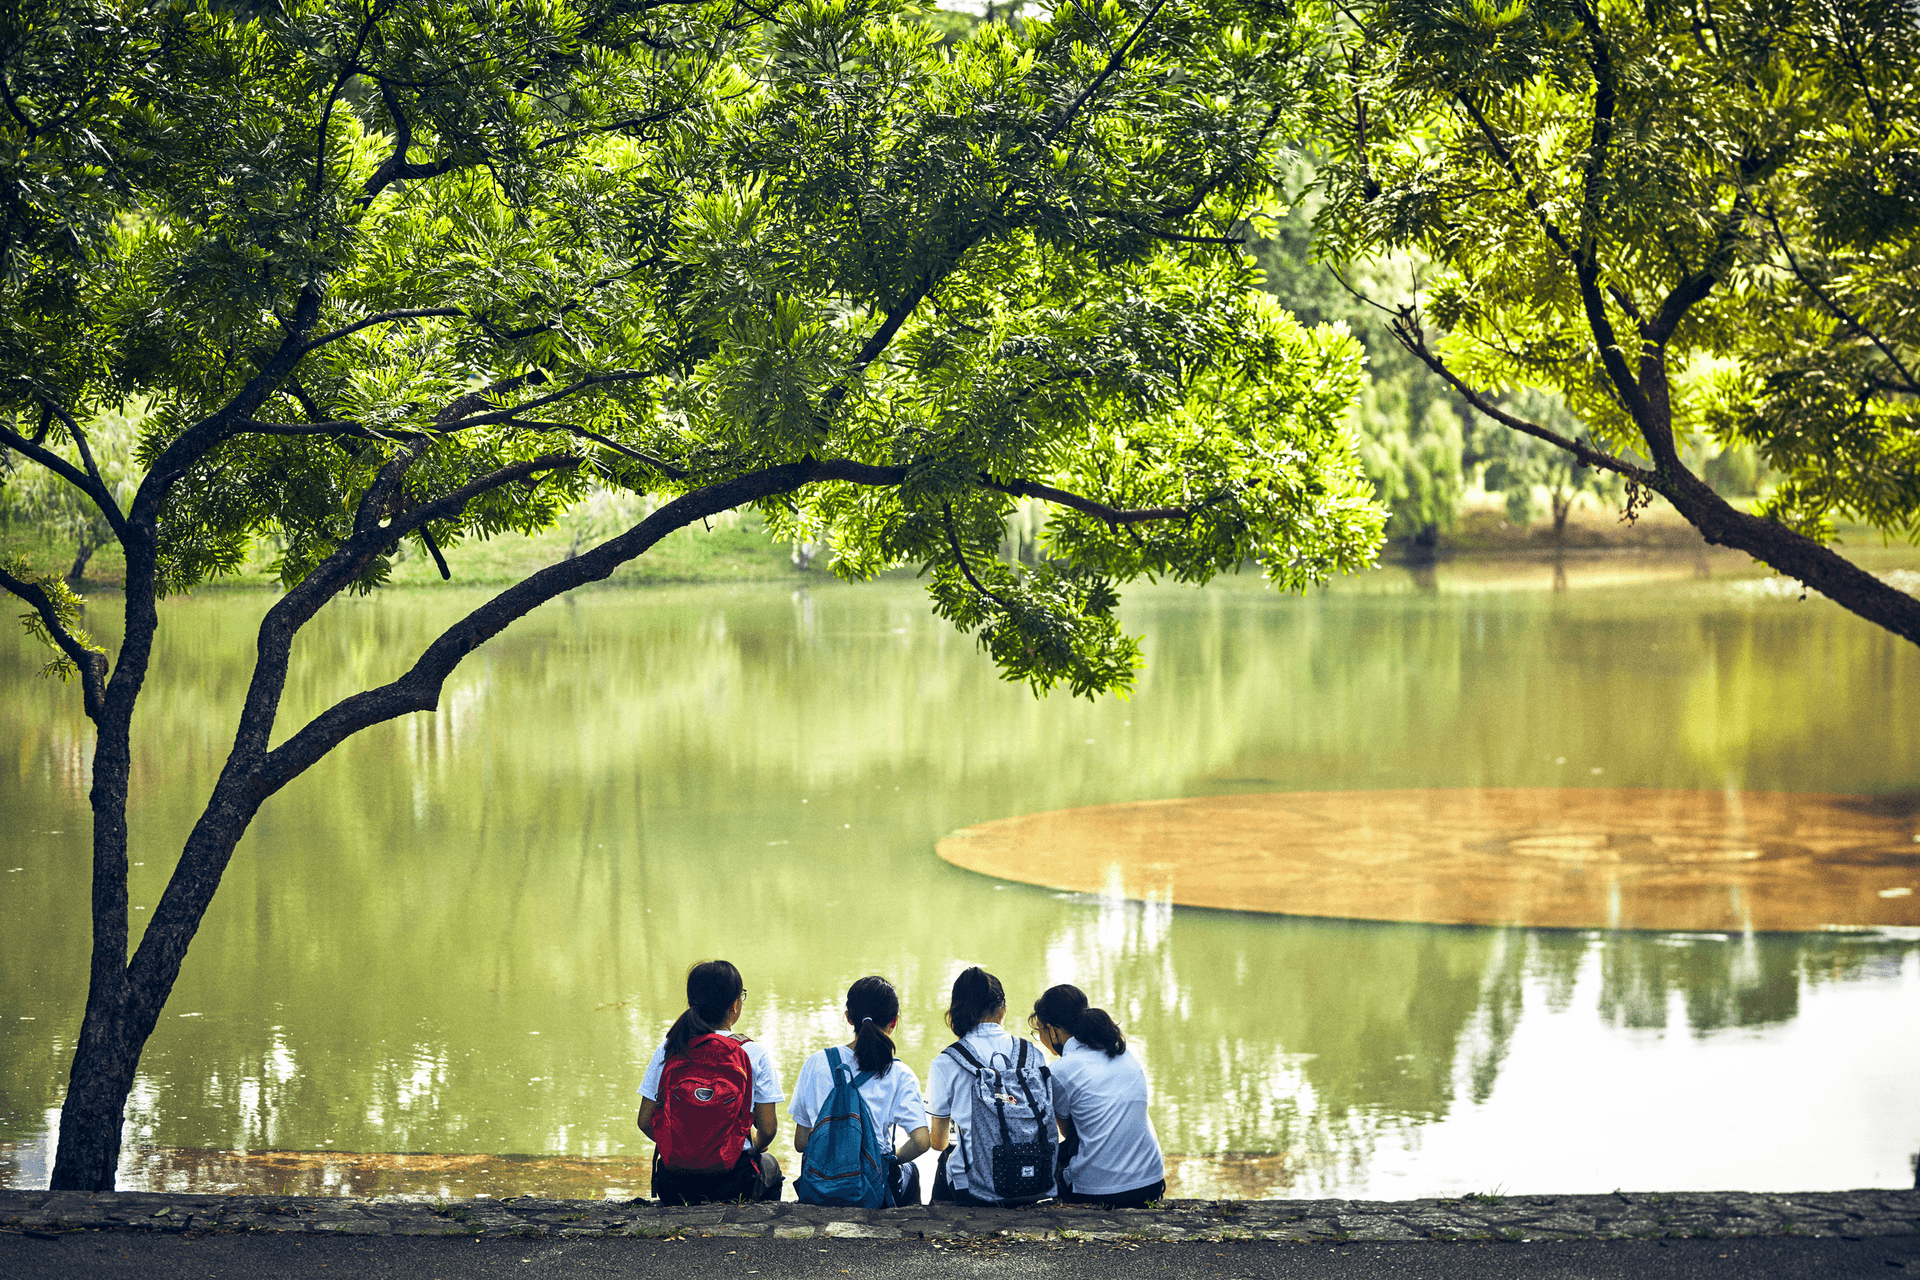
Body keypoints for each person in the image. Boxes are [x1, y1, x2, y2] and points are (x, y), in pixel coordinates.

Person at [636, 959, 785, 1204]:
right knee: (770, 1166)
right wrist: (751, 1146)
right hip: (734, 1182)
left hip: (674, 1183)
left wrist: (683, 1150)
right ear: (735, 1005)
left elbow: (645, 1121)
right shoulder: (753, 1053)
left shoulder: (670, 1046)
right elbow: (768, 1129)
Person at [789, 975, 932, 1206]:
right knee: (911, 1172)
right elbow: (922, 1142)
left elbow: (801, 1143)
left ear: (848, 1018)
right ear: (893, 1022)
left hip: (820, 1186)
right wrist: (891, 1160)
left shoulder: (816, 1063)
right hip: (870, 1187)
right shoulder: (899, 1074)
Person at [927, 966, 1056, 1205]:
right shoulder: (1033, 1055)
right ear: (1003, 1009)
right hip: (1032, 1179)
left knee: (947, 1157)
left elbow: (938, 1142)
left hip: (973, 1189)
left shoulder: (946, 1062)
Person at [1029, 983, 1164, 1208]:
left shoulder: (1060, 1071)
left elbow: (1069, 1133)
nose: (1040, 1037)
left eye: (1040, 1030)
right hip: (1151, 1183)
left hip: (1100, 1191)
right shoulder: (1126, 1052)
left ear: (1052, 1030)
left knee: (1042, 1162)